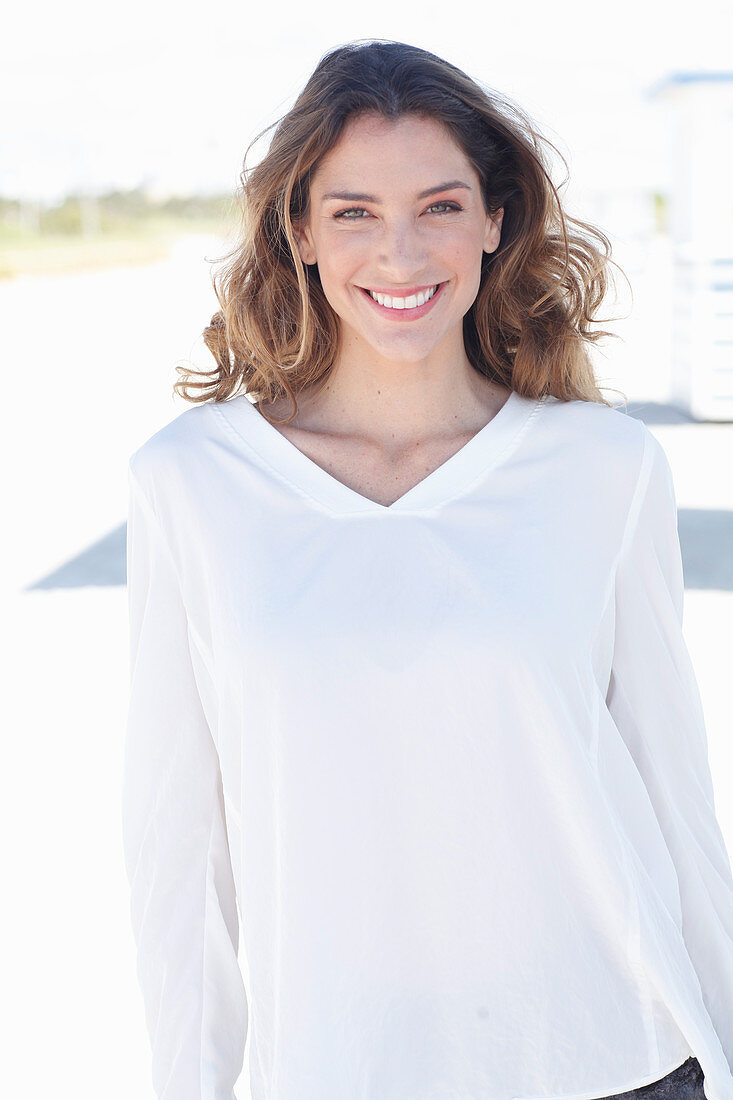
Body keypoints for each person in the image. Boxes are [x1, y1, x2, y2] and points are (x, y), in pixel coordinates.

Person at [121, 39, 733, 1100]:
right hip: (341, 1073)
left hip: (613, 1062)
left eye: (439, 205)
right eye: (354, 211)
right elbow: (177, 848)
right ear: (300, 232)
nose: (398, 252)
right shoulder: (193, 485)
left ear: (494, 220)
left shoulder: (605, 468)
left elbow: (676, 800)